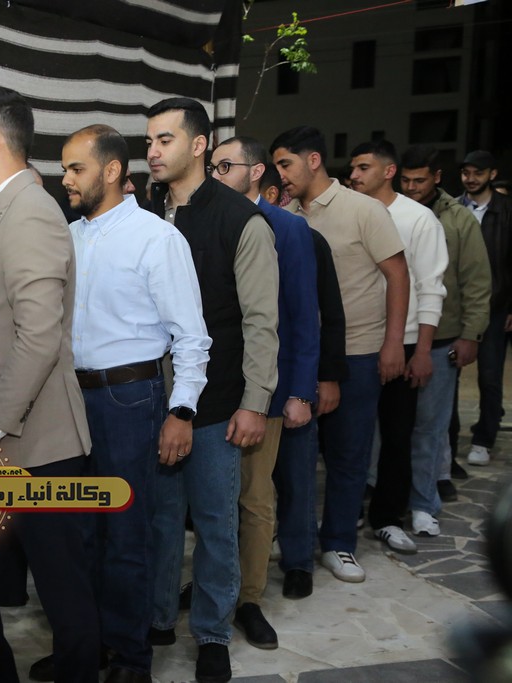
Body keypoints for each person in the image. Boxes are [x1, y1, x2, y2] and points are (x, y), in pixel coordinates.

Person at [0, 85, 100, 683]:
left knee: (62, 590)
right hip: (2, 437)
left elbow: (39, 338)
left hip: (36, 446)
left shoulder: (31, 211)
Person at [63, 124, 210, 682]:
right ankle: (87, 648)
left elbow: (191, 337)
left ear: (111, 171)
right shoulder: (67, 237)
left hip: (130, 399)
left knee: (125, 535)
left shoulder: (157, 238)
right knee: (78, 534)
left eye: (76, 168)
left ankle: (129, 658)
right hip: (68, 400)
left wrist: (181, 410)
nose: (66, 178)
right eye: (65, 168)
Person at [147, 98, 280, 683]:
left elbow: (261, 322)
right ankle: (156, 619)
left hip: (217, 402)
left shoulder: (240, 220)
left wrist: (255, 403)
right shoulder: (144, 213)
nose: (153, 151)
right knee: (157, 521)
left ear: (199, 145)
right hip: (149, 399)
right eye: (149, 141)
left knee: (215, 523)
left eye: (166, 139)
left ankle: (211, 633)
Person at [270, 125, 409, 584]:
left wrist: (393, 343)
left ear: (313, 160)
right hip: (299, 357)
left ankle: (339, 544)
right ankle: (295, 538)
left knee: (348, 455)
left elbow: (398, 275)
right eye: (275, 165)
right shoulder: (283, 214)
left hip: (357, 354)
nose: (279, 174)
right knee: (294, 461)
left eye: (286, 163)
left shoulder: (364, 210)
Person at [209, 136, 319, 649]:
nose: (215, 174)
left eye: (224, 166)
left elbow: (301, 314)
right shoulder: (201, 221)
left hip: (266, 388)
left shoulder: (287, 228)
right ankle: (215, 585)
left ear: (255, 172)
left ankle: (248, 599)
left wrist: (299, 390)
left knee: (255, 497)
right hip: (210, 386)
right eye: (211, 166)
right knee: (212, 500)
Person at [349, 139, 447, 554]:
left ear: (388, 171)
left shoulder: (418, 219)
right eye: (353, 168)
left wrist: (422, 350)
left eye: (364, 168)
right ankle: (347, 510)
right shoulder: (349, 211)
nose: (354, 175)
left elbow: (430, 288)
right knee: (348, 436)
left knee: (397, 435)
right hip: (355, 342)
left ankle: (387, 517)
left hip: (402, 344)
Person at [259, 164, 348, 600]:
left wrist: (322, 379)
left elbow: (325, 315)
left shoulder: (305, 239)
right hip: (249, 383)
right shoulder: (229, 233)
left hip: (294, 375)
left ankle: (297, 562)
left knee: (296, 477)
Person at [399, 144, 490, 521]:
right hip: (395, 335)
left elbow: (476, 281)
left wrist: (471, 335)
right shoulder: (389, 211)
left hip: (443, 335)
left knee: (432, 425)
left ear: (436, 178)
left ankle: (429, 491)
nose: (412, 187)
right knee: (393, 425)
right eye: (406, 180)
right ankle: (385, 488)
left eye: (419, 180)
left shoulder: (458, 219)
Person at [458, 150, 512, 466]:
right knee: (447, 376)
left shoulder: (506, 210)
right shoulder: (453, 207)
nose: (471, 178)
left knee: (490, 376)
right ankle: (448, 439)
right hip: (456, 307)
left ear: (492, 174)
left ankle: (483, 439)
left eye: (478, 172)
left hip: (495, 306)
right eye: (466, 172)